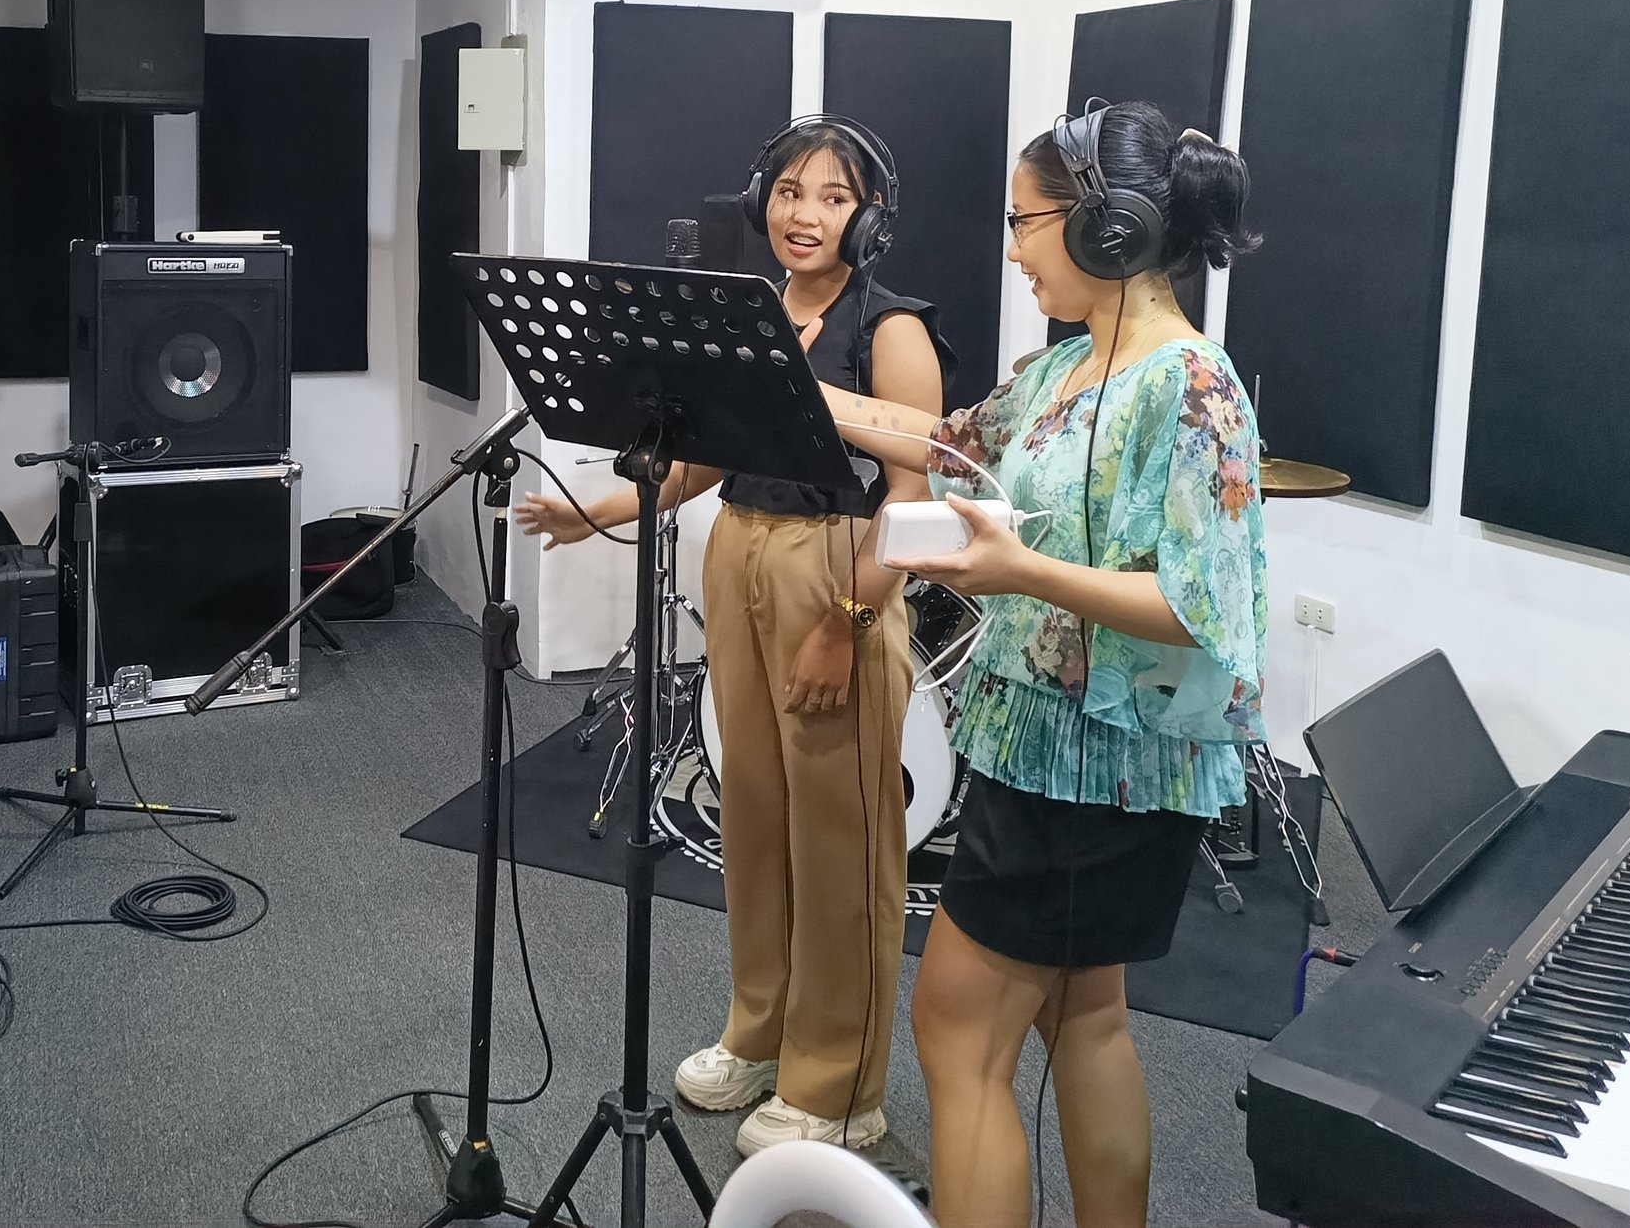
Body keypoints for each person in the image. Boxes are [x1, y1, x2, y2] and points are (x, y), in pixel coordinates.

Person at [813, 100, 1266, 1228]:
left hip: (1099, 768)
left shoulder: (1190, 385)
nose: (1010, 249)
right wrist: (780, 388)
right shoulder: (1062, 369)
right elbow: (942, 442)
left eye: (1024, 223)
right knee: (1085, 1017)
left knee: (957, 1033)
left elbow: (1192, 607)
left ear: (1107, 229)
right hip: (1049, 751)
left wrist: (1022, 575)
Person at [515, 117, 950, 1158]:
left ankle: (839, 1084)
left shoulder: (888, 331)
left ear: (871, 217)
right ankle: (763, 1033)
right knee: (753, 817)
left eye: (833, 198)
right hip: (740, 556)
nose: (804, 215)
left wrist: (847, 625)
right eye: (790, 191)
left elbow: (915, 490)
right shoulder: (750, 314)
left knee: (841, 838)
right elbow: (702, 459)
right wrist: (597, 513)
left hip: (838, 567)